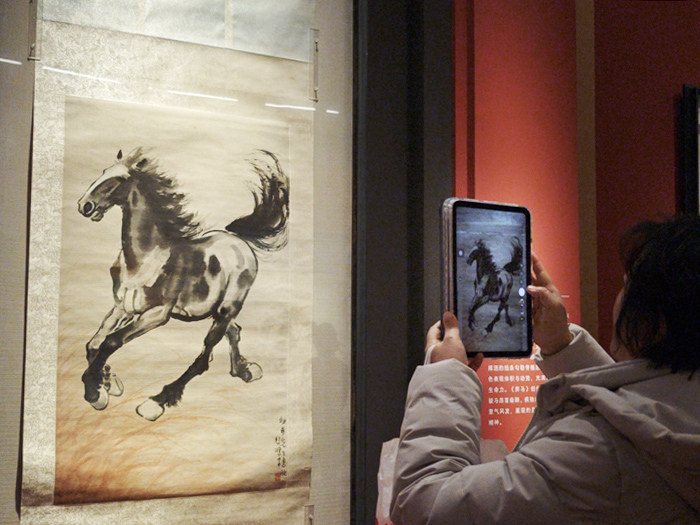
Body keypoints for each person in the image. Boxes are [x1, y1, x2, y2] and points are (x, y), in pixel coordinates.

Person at [390, 216, 700, 524]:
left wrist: (445, 376)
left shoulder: (594, 453)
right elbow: (642, 420)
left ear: (653, 320)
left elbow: (423, 505)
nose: (620, 299)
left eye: (626, 285)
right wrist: (562, 346)